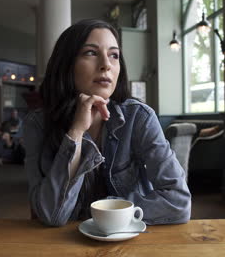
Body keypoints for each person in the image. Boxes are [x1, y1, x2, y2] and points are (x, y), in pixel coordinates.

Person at [23, 19, 191, 226]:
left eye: (114, 55)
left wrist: (104, 212)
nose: (106, 65)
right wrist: (76, 132)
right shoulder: (38, 124)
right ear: (66, 63)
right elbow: (51, 215)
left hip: (131, 242)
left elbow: (179, 203)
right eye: (91, 53)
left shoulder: (138, 118)